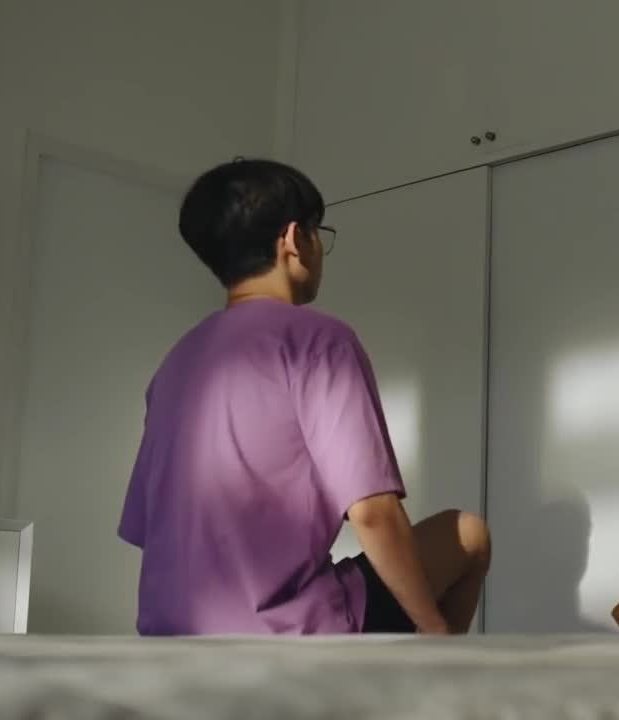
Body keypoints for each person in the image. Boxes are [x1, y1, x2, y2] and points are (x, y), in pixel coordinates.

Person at [117, 159, 490, 635]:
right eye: (319, 233)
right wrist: (435, 633)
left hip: (169, 633)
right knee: (468, 533)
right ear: (294, 239)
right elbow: (372, 514)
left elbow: (147, 530)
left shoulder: (176, 361)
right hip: (285, 632)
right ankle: (436, 674)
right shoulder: (319, 340)